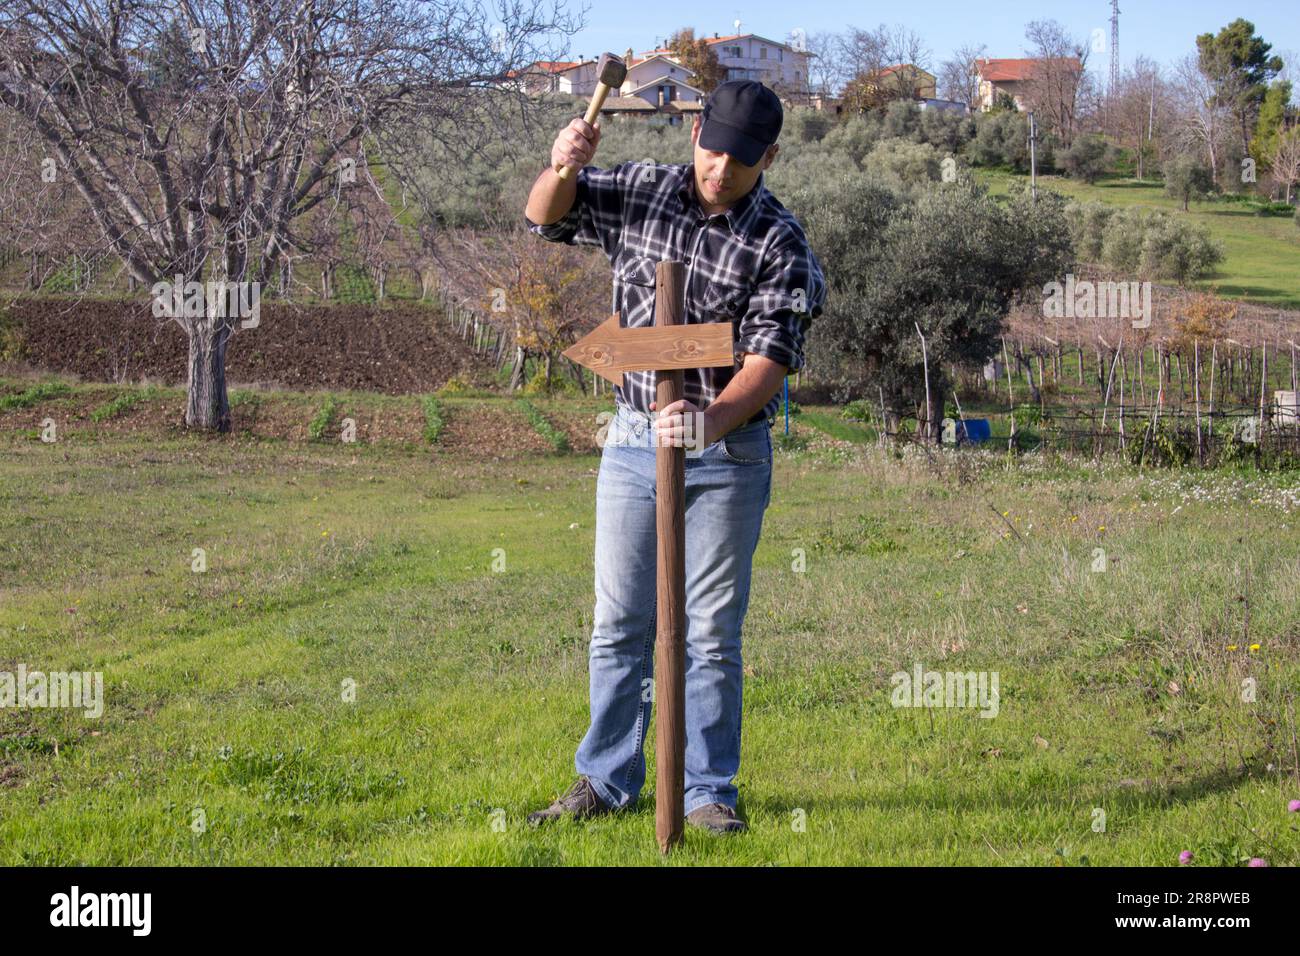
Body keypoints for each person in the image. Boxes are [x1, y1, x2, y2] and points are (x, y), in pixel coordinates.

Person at [522, 80, 826, 834]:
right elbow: (543, 219)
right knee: (619, 622)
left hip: (728, 454)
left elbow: (769, 361)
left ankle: (707, 792)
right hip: (631, 443)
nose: (722, 168)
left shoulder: (780, 242)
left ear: (771, 157)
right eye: (714, 148)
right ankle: (606, 779)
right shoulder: (641, 191)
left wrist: (709, 422)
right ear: (695, 130)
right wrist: (563, 165)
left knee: (711, 632)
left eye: (742, 159)